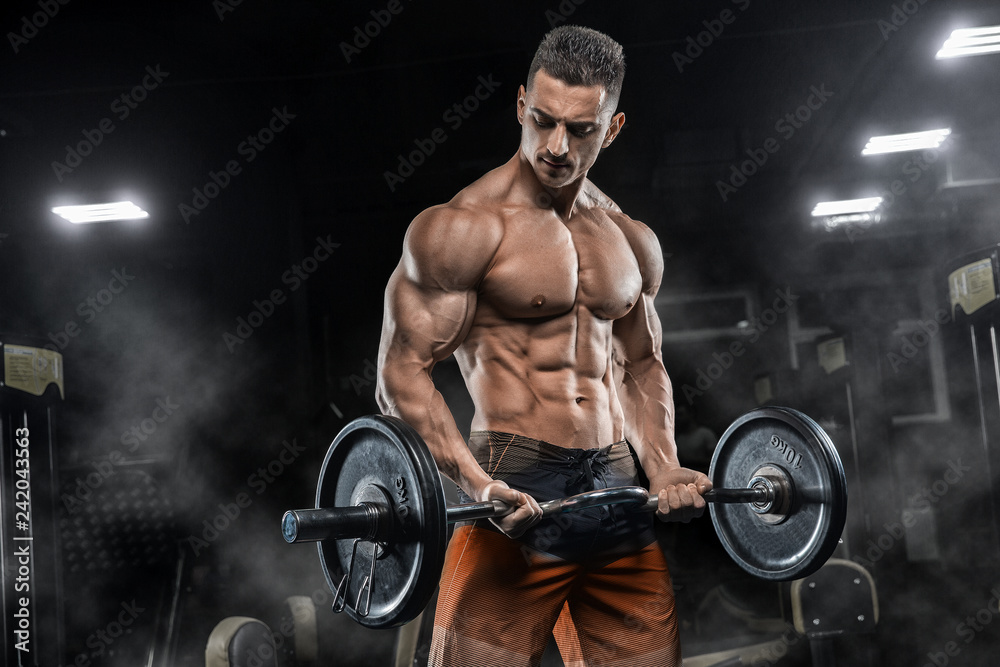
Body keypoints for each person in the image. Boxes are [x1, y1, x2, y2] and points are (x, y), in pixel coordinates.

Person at [376, 25, 711, 667]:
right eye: (543, 119)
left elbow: (642, 364)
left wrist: (663, 465)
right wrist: (476, 485)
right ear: (521, 103)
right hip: (514, 492)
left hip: (616, 490)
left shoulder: (630, 239)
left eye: (580, 130)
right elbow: (401, 375)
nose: (556, 145)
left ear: (611, 128)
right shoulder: (462, 229)